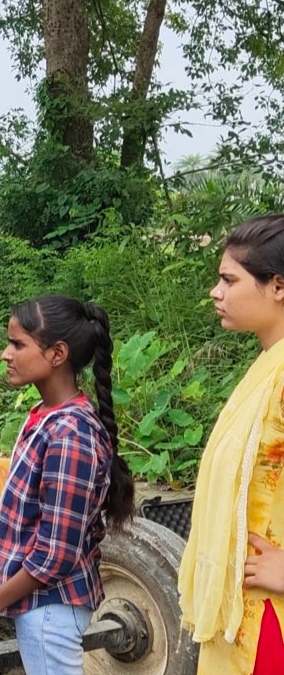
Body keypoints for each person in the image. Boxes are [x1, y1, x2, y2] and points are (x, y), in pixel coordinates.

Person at [0, 295, 135, 675]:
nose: (5, 354)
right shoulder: (44, 415)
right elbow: (26, 527)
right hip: (30, 579)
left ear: (57, 354)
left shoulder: (71, 435)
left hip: (52, 607)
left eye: (18, 344)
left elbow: (56, 555)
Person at [179, 215, 284, 674]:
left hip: (269, 621)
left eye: (228, 279)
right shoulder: (267, 368)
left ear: (278, 286)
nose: (215, 292)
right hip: (239, 609)